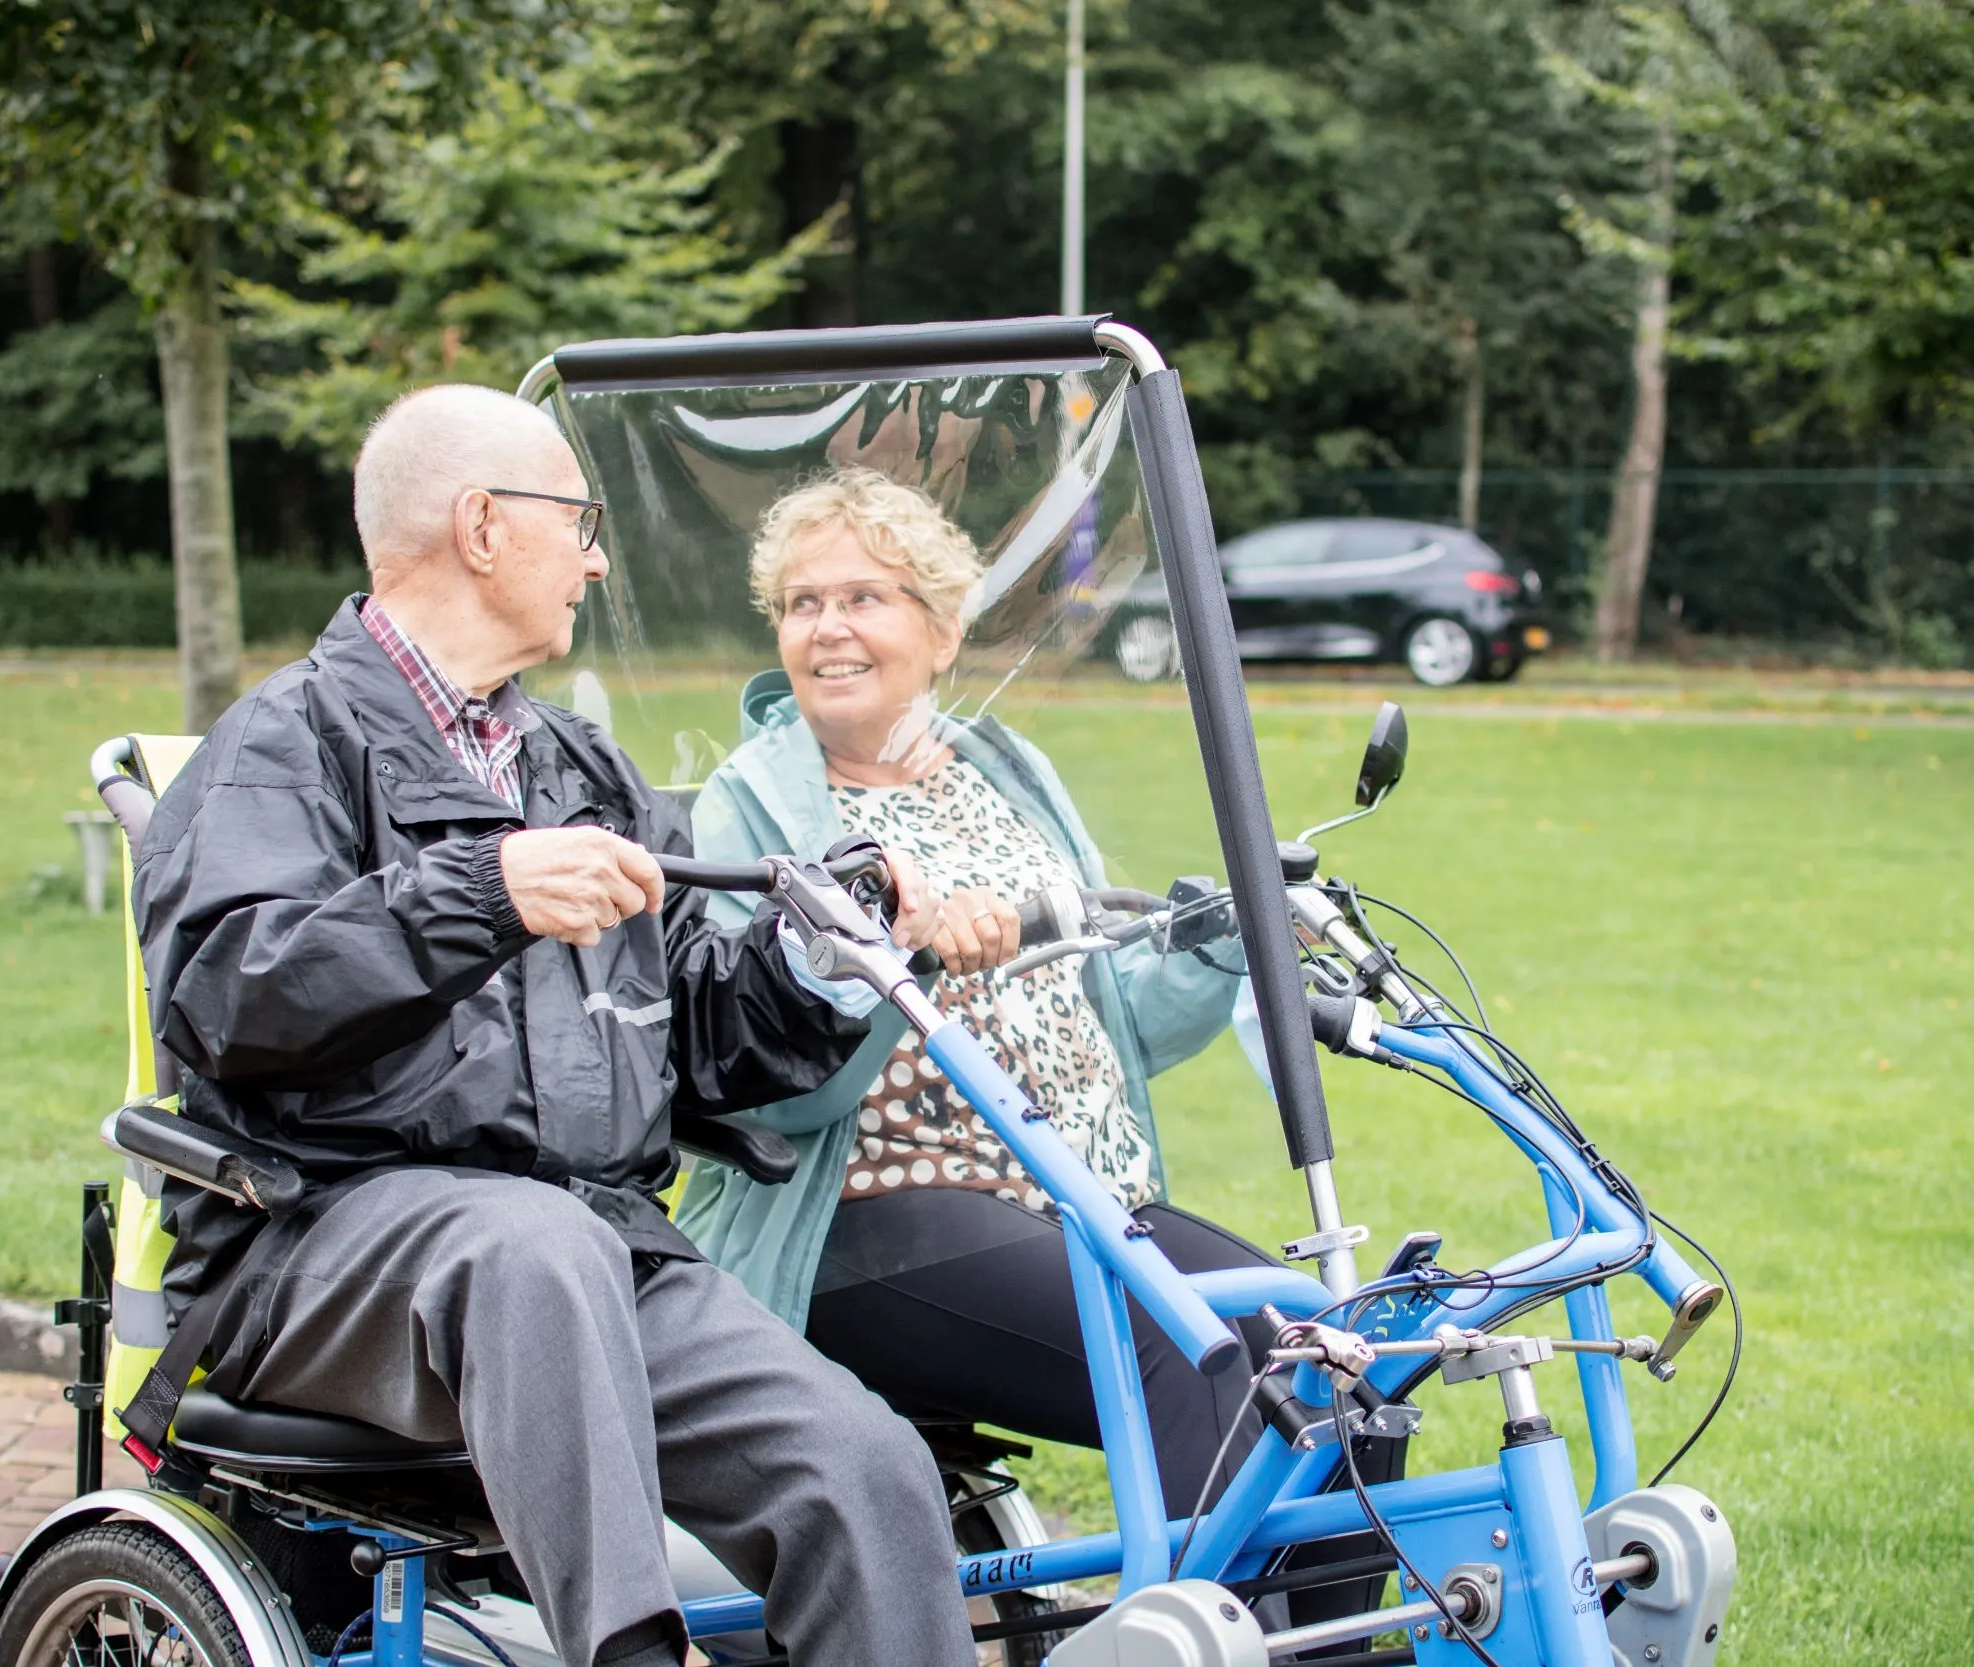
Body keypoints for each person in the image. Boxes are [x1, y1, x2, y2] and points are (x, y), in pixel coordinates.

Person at [132, 390, 971, 1667]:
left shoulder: (582, 768)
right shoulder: (279, 743)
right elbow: (228, 992)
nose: (594, 554)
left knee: (861, 1469)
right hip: (317, 1245)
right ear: (480, 526)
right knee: (528, 1244)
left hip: (595, 1247)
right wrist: (483, 888)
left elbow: (699, 1030)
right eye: (575, 520)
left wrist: (811, 957)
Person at [677, 466, 1278, 1520]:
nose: (828, 629)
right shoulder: (758, 801)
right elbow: (760, 1087)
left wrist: (1223, 936)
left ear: (943, 630)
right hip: (865, 1220)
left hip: (1072, 1199)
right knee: (1191, 1353)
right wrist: (900, 955)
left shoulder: (1001, 764)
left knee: (1319, 1347)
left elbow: (1106, 1014)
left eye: (863, 596)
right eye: (801, 603)